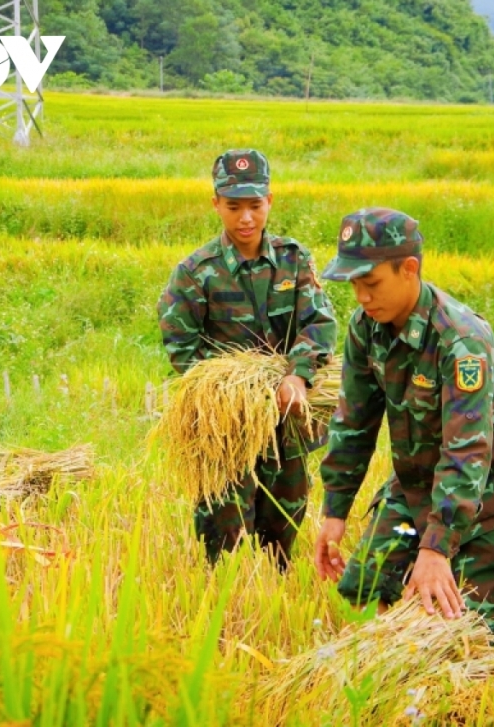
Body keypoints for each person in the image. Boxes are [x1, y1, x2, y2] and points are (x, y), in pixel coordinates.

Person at [313, 208, 494, 636]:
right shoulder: (366, 328)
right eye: (354, 286)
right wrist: (335, 510)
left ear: (409, 269)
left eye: (371, 283)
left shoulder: (460, 342)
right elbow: (354, 423)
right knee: (367, 585)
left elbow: (467, 451)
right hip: (420, 478)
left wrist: (435, 548)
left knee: (464, 630)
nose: (362, 297)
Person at [157, 149, 337, 568]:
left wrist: (298, 376)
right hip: (225, 425)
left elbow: (320, 324)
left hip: (287, 418)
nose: (245, 219)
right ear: (216, 204)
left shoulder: (294, 260)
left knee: (283, 522)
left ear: (269, 202)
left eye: (255, 206)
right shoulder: (195, 272)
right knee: (225, 528)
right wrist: (233, 391)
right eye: (233, 207)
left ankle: (276, 598)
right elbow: (181, 344)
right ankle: (220, 603)